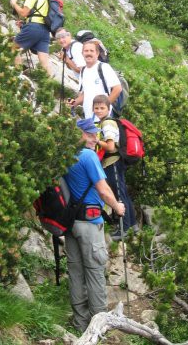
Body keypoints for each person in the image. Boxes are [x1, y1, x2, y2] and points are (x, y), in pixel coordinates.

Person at [64, 117, 125, 333]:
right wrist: (118, 207)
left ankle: (80, 323)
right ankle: (99, 326)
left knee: (76, 273)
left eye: (95, 133)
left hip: (71, 224)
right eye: (88, 134)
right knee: (95, 272)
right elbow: (103, 189)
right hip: (89, 223)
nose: (94, 138)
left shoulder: (64, 156)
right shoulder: (88, 156)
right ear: (77, 134)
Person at [92, 94, 138, 240]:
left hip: (113, 162)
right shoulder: (104, 122)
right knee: (122, 193)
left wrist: (96, 141)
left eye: (102, 108)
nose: (99, 111)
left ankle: (124, 228)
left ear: (108, 108)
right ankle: (132, 226)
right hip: (113, 163)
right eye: (96, 108)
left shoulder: (107, 124)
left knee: (118, 195)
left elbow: (111, 147)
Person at [10, 0, 52, 76]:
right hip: (45, 30)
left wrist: (14, 4)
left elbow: (24, 13)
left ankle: (18, 77)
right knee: (44, 61)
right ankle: (49, 86)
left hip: (34, 27)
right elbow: (37, 13)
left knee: (14, 48)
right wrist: (25, 23)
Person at [68, 41, 122, 119]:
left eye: (91, 51)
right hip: (88, 117)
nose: (88, 53)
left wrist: (104, 108)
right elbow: (84, 94)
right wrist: (73, 104)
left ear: (97, 53)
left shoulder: (103, 67)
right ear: (82, 53)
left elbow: (117, 89)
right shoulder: (83, 71)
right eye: (86, 51)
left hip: (103, 118)